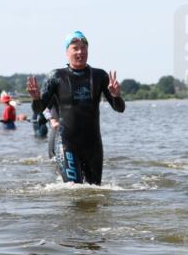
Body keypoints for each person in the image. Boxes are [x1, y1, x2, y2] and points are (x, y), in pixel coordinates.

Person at [32, 30, 125, 184]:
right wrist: (36, 98)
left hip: (93, 145)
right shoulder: (56, 76)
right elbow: (38, 109)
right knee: (74, 190)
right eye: (75, 48)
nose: (80, 52)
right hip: (67, 143)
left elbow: (119, 108)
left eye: (84, 48)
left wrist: (116, 96)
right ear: (67, 52)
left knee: (94, 193)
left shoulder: (99, 75)